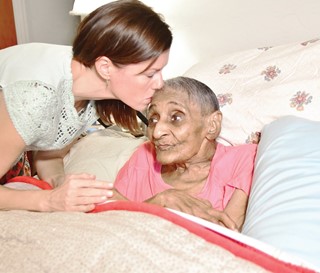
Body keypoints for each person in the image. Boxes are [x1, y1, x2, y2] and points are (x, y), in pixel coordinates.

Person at [0, 0, 172, 212]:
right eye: (149, 74)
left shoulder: (88, 94)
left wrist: (60, 182)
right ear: (105, 67)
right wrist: (49, 200)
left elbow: (48, 154)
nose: (160, 83)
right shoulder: (35, 96)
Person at [112, 76, 257, 231]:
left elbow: (225, 237)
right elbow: (110, 223)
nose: (157, 132)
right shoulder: (144, 157)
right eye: (153, 119)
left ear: (212, 125)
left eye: (176, 117)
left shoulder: (244, 159)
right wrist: (160, 202)